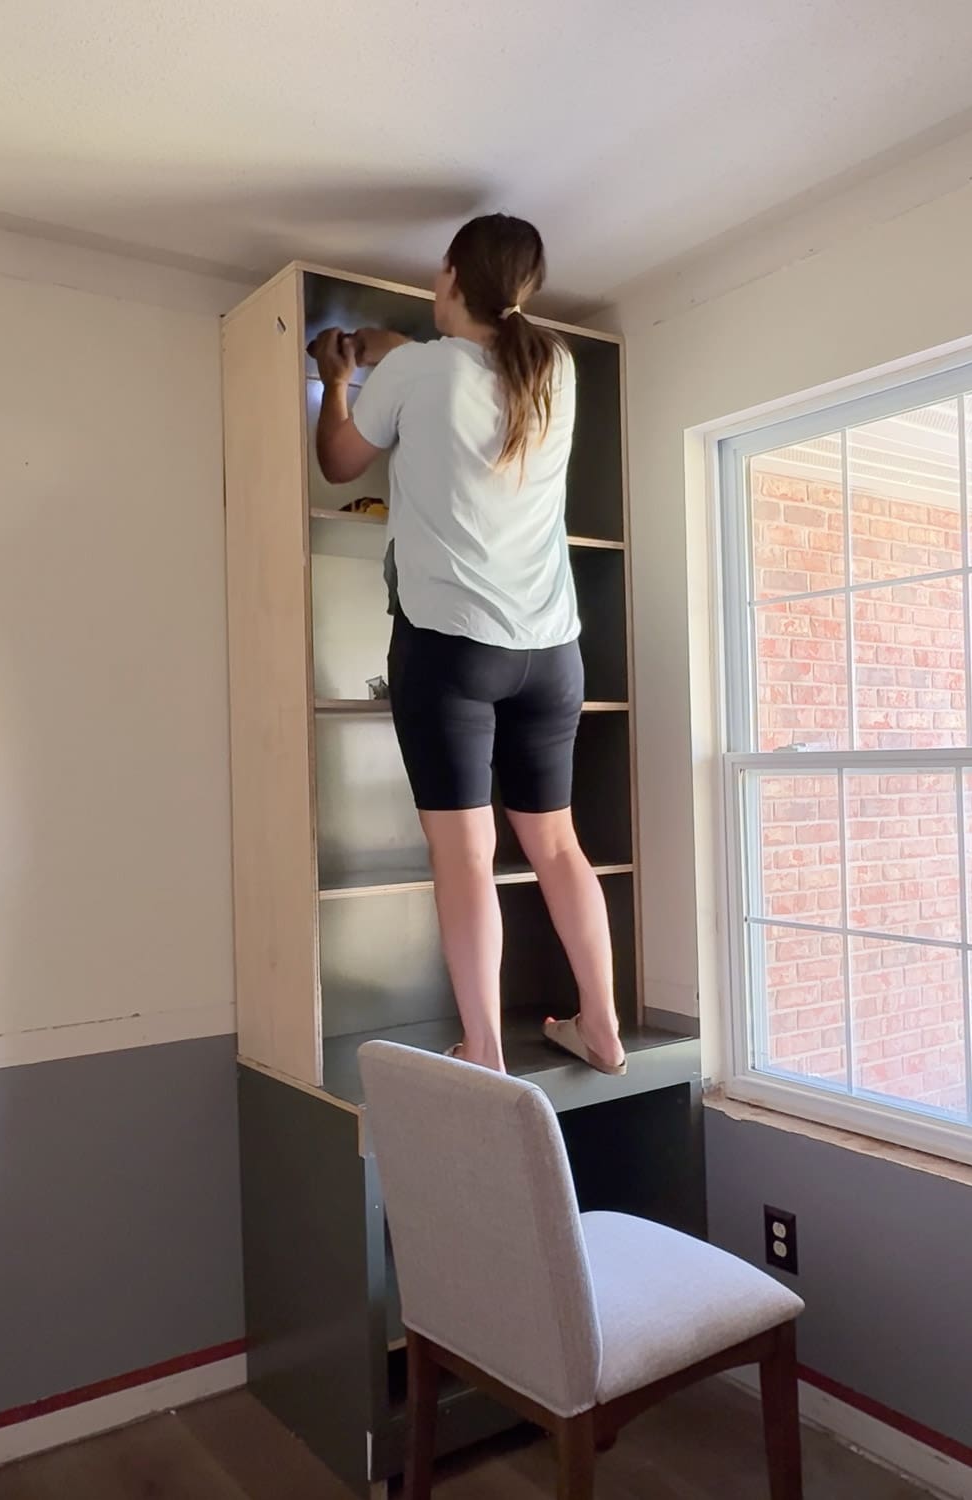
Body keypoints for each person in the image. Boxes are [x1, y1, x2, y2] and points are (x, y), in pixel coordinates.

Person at [314, 214, 625, 1076]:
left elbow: (341, 462)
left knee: (465, 856)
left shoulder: (415, 370)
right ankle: (599, 1027)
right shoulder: (552, 366)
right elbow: (470, 369)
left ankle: (483, 1052)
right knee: (558, 846)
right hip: (552, 653)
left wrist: (338, 379)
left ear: (447, 272)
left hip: (453, 651)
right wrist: (403, 347)